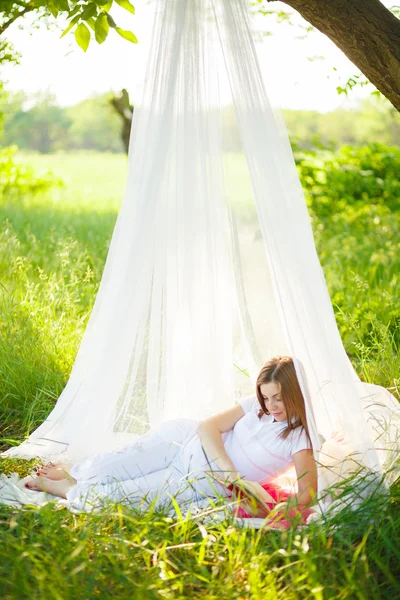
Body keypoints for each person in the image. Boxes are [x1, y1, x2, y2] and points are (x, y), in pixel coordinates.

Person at [25, 356, 317, 514]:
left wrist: (278, 509)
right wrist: (228, 469)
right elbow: (207, 427)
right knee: (103, 466)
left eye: (277, 398)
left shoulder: (299, 439)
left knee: (117, 499)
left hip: (196, 480)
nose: (270, 406)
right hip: (182, 440)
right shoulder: (255, 405)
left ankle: (63, 488)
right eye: (266, 398)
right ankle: (75, 473)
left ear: (294, 393)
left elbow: (308, 493)